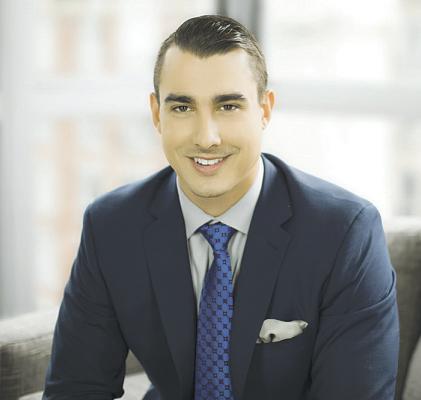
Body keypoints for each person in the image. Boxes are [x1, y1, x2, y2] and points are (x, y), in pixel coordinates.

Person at [42, 14, 399, 400]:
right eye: (183, 108)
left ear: (265, 110)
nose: (206, 137)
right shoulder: (111, 228)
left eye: (228, 106)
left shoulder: (344, 233)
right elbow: (76, 389)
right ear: (157, 113)